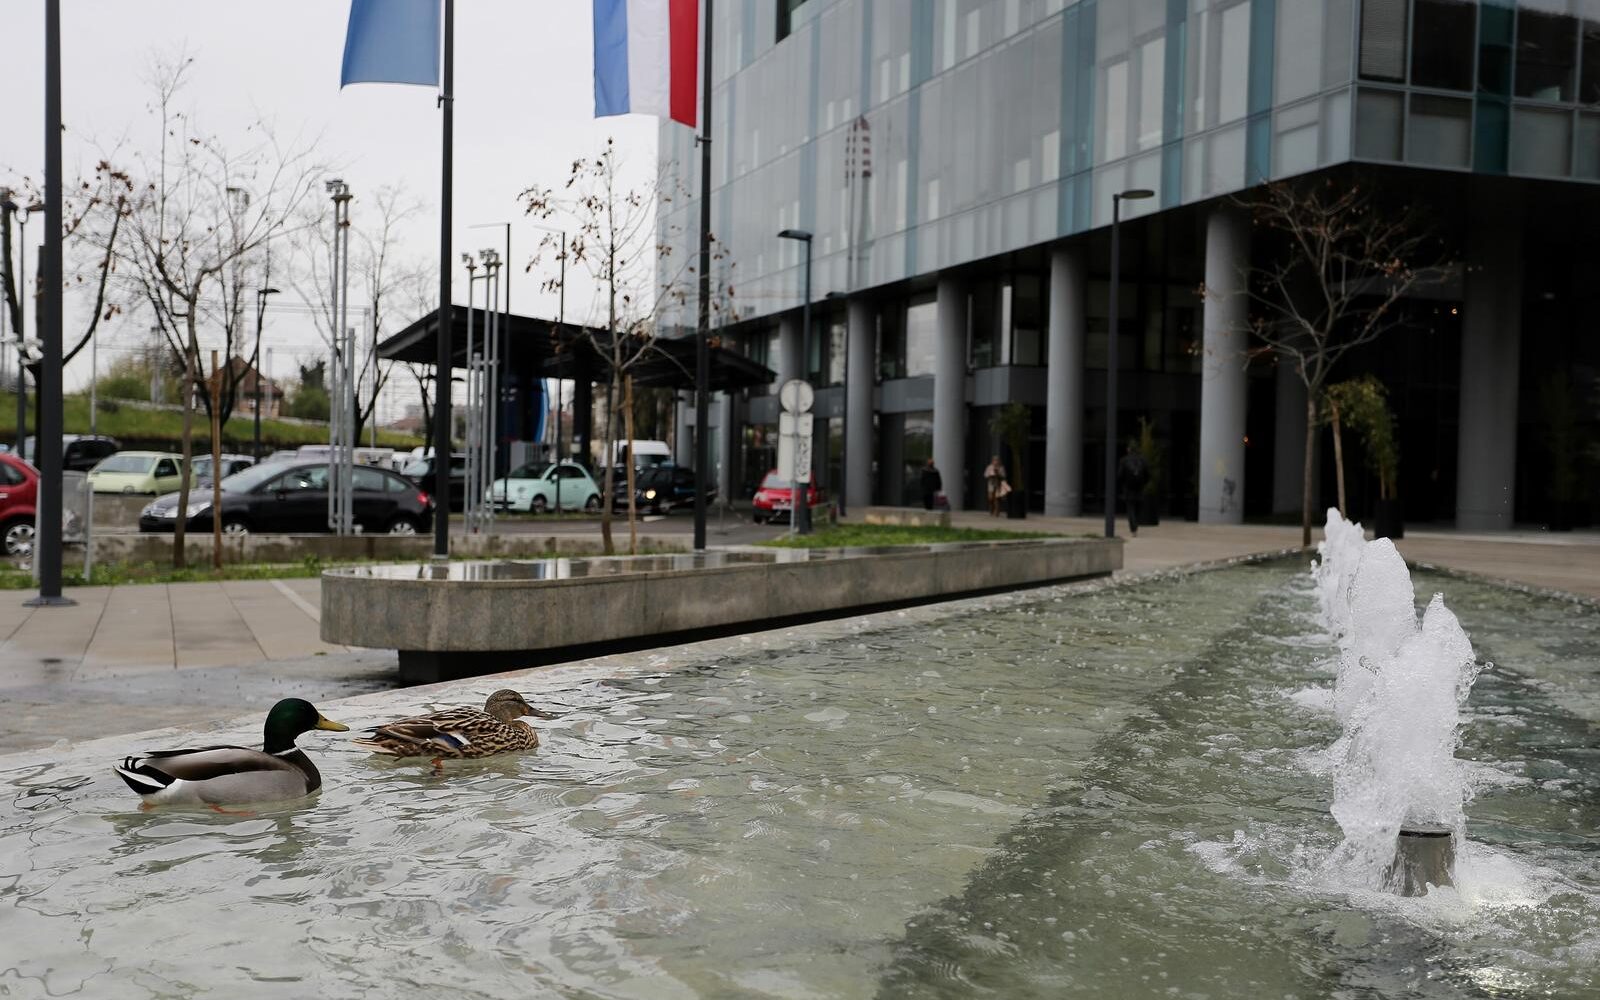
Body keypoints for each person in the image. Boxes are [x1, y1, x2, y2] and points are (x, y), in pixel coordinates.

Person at [1116, 441, 1150, 536]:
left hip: (1128, 488)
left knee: (1130, 508)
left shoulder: (1124, 460)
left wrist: (1123, 484)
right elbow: (1148, 474)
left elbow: (1120, 475)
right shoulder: (1143, 460)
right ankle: (1135, 524)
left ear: (1128, 450)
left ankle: (1133, 528)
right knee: (1138, 507)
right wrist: (1144, 483)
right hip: (1139, 488)